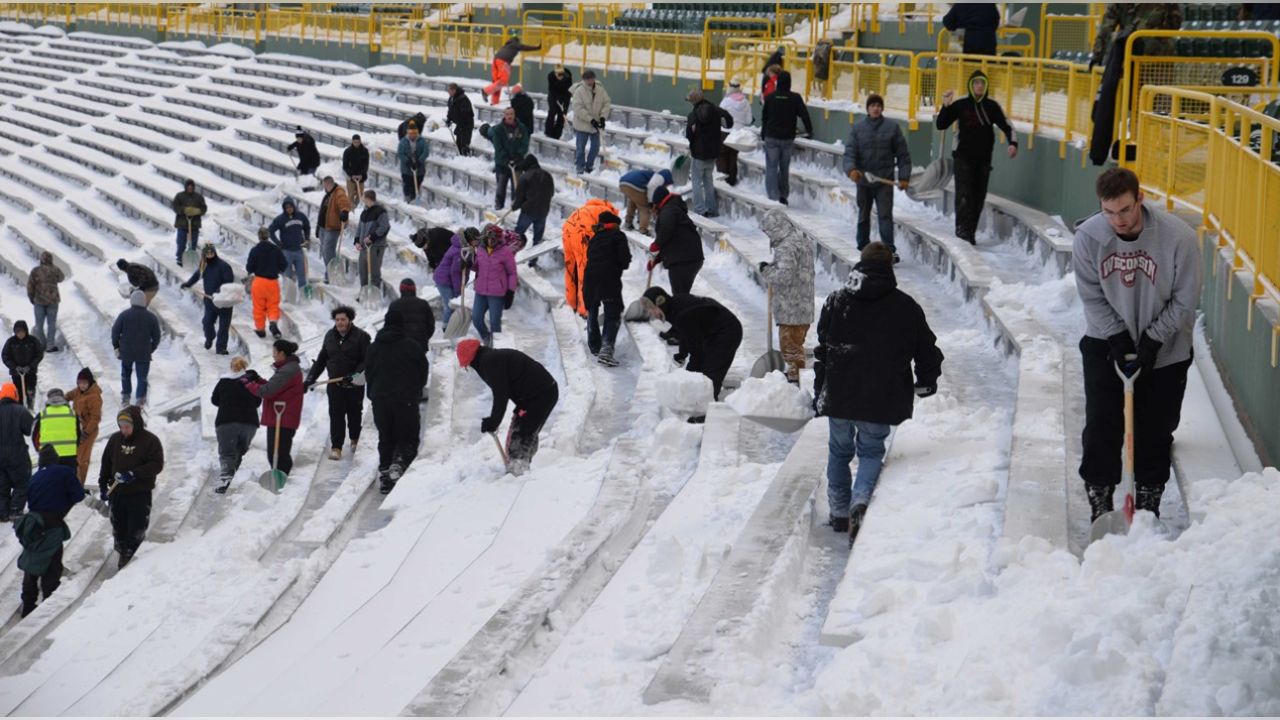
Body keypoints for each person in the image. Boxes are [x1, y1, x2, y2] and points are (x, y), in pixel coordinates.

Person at [1073, 167, 1201, 522]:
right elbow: (1090, 294)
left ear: (1140, 199)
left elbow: (1185, 300)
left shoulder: (1179, 238)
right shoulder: (1088, 237)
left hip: (1167, 348)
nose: (1118, 220)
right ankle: (1100, 495)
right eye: (1109, 211)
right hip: (1105, 342)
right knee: (1101, 422)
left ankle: (1148, 499)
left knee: (1155, 426)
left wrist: (1152, 340)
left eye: (1125, 210)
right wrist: (1116, 336)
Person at [814, 242, 944, 541]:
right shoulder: (905, 306)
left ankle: (838, 512)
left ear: (861, 263)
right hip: (881, 394)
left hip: (840, 392)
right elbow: (926, 348)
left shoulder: (837, 301)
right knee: (871, 451)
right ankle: (861, 501)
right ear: (890, 267)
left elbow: (823, 346)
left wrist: (820, 387)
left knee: (839, 451)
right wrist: (927, 379)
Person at [935, 70, 1019, 244]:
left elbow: (1008, 126)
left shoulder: (992, 106)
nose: (979, 86)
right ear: (971, 86)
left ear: (986, 86)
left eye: (982, 83)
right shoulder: (961, 105)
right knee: (964, 195)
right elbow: (941, 124)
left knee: (978, 197)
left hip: (983, 160)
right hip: (963, 157)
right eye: (976, 83)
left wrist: (1013, 143)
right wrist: (946, 105)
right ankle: (962, 230)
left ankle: (970, 232)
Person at [456, 338, 558, 476]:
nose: (469, 368)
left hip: (540, 395)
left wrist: (494, 421)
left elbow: (501, 394)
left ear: (471, 359)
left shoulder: (489, 361)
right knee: (522, 431)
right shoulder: (489, 358)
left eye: (468, 365)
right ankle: (520, 470)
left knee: (521, 435)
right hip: (536, 395)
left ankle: (517, 475)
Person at [640, 287, 742, 419]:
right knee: (703, 369)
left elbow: (696, 352)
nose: (651, 313)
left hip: (727, 332)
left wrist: (687, 376)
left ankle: (705, 414)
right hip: (712, 332)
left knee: (709, 375)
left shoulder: (682, 314)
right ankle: (699, 408)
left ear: (661, 302)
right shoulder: (674, 306)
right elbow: (686, 334)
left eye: (652, 309)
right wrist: (682, 354)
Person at [365, 308, 429, 493]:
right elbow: (422, 372)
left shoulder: (374, 347)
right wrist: (416, 389)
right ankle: (399, 464)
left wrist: (374, 393)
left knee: (386, 436)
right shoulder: (412, 346)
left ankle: (385, 473)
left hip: (380, 399)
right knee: (407, 436)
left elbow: (369, 372)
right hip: (405, 399)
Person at [17, 444, 83, 616]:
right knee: (52, 566)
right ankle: (47, 607)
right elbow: (78, 495)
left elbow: (29, 501)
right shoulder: (64, 472)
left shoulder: (34, 477)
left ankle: (28, 605)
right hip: (52, 526)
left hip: (33, 526)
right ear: (56, 458)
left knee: (32, 564)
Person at [843, 93, 912, 257]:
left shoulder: (892, 128)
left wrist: (904, 177)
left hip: (885, 181)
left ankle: (889, 250)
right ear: (868, 108)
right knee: (863, 215)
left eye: (878, 105)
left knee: (885, 216)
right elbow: (849, 153)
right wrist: (851, 169)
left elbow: (903, 155)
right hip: (864, 181)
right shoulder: (858, 128)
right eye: (872, 105)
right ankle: (863, 247)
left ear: (882, 108)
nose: (875, 108)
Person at [98, 405, 163, 568]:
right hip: (117, 493)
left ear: (136, 424)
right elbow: (106, 463)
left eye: (127, 427)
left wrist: (134, 473)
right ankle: (121, 550)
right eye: (121, 427)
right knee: (118, 526)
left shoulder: (150, 441)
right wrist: (103, 486)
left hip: (139, 494)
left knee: (136, 527)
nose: (124, 430)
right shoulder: (115, 440)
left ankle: (131, 556)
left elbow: (157, 464)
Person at [304, 306, 370, 461]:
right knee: (336, 416)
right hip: (334, 385)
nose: (340, 323)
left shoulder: (362, 337)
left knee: (354, 414)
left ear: (349, 320)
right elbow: (322, 359)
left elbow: (366, 360)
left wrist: (353, 375)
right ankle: (337, 447)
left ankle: (355, 438)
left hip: (354, 384)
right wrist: (310, 378)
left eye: (343, 319)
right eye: (337, 320)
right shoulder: (329, 336)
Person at [758, 209, 816, 384]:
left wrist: (766, 271)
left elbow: (785, 275)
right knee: (794, 345)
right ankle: (795, 376)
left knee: (790, 348)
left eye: (768, 231)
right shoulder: (800, 241)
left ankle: (796, 381)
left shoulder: (786, 247)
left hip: (792, 309)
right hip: (802, 306)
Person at [244, 340, 304, 478]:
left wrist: (249, 384)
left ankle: (284, 482)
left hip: (282, 418)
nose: (273, 356)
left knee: (278, 455)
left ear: (281, 353)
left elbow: (267, 392)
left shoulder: (288, 370)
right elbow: (275, 387)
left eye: (274, 352)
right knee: (276, 454)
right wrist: (258, 380)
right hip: (281, 418)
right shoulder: (288, 368)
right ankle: (282, 481)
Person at [582, 211, 630, 366]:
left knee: (593, 311)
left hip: (590, 279)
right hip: (608, 279)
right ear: (614, 224)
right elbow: (624, 260)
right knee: (613, 314)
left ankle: (595, 345)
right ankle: (606, 349)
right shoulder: (618, 236)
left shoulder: (595, 238)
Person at [760, 71, 813, 205]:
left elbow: (764, 117)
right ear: (789, 83)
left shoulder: (770, 97)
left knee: (771, 167)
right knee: (784, 167)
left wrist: (763, 133)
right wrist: (809, 130)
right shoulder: (795, 98)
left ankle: (773, 196)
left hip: (771, 137)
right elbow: (804, 115)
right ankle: (783, 194)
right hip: (787, 138)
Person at [210, 356, 260, 494]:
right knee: (240, 450)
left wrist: (227, 403)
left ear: (231, 367)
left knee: (227, 452)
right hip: (249, 423)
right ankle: (233, 474)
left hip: (227, 422)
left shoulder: (224, 381)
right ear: (245, 367)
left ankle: (226, 478)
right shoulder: (251, 381)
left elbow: (214, 400)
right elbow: (258, 402)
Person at [561, 199, 618, 317]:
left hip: (567, 228)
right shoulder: (608, 212)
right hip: (581, 232)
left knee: (570, 268)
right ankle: (584, 308)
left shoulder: (588, 209)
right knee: (584, 271)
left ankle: (571, 301)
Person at [685, 88, 734, 218]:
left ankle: (700, 210)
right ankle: (712, 209)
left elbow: (689, 135)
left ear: (693, 101)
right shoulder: (715, 109)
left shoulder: (692, 115)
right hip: (712, 154)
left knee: (696, 181)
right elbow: (729, 120)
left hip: (698, 154)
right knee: (708, 180)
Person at [648, 185, 705, 296]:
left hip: (683, 259)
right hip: (687, 257)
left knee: (680, 296)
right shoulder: (671, 208)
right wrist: (657, 259)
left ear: (658, 203)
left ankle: (686, 312)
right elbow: (672, 239)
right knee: (681, 294)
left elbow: (666, 230)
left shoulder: (668, 211)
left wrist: (656, 244)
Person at [181, 244, 236, 354]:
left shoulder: (224, 266)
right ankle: (210, 337)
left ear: (215, 253)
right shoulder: (204, 265)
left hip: (224, 301)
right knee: (207, 322)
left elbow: (228, 281)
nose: (210, 256)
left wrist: (217, 292)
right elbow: (197, 275)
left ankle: (221, 348)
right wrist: (188, 284)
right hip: (210, 301)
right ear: (204, 255)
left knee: (223, 326)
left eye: (212, 253)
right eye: (208, 254)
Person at [111, 290, 161, 407]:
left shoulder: (124, 315)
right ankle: (140, 399)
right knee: (142, 377)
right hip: (144, 353)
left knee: (126, 374)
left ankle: (126, 396)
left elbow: (115, 332)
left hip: (126, 352)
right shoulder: (151, 317)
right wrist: (151, 348)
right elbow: (157, 336)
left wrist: (116, 346)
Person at [471, 225, 519, 346]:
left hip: (497, 293)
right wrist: (468, 263)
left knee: (495, 323)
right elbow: (477, 267)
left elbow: (512, 273)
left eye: (494, 239)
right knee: (476, 319)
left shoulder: (505, 251)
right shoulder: (481, 249)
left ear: (499, 239)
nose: (491, 242)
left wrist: (510, 291)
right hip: (481, 290)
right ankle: (486, 337)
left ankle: (497, 346)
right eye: (489, 239)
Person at [246, 226, 287, 339]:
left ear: (259, 237)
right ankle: (273, 322)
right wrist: (277, 269)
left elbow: (249, 267)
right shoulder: (276, 249)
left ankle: (260, 329)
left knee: (258, 307)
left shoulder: (254, 250)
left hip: (259, 282)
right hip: (273, 282)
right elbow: (284, 265)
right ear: (268, 236)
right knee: (273, 305)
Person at [0, 382, 33, 521]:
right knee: (22, 482)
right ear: (15, 394)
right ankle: (15, 509)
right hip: (17, 454)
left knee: (2, 484)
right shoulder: (20, 410)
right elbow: (29, 429)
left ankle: (2, 512)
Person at [388, 278, 435, 374]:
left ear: (401, 290)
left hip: (399, 346)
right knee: (418, 370)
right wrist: (424, 338)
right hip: (420, 345)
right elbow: (431, 325)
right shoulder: (423, 304)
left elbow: (389, 327)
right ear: (414, 290)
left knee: (403, 371)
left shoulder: (394, 305)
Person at [486, 107, 530, 210]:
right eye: (507, 114)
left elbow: (525, 144)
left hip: (517, 163)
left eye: (511, 114)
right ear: (504, 115)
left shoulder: (521, 128)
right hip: (502, 164)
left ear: (514, 115)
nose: (509, 116)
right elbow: (498, 146)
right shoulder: (498, 129)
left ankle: (516, 205)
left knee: (517, 186)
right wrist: (506, 159)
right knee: (501, 186)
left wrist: (518, 156)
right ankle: (499, 205)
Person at [64, 368, 101, 486]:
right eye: (80, 383)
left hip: (88, 431)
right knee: (74, 457)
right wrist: (59, 400)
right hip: (77, 428)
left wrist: (86, 432)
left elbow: (96, 418)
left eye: (84, 383)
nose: (82, 385)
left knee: (82, 459)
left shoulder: (94, 397)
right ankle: (74, 481)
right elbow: (68, 396)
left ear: (89, 383)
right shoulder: (78, 391)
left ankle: (80, 484)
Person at [570, 70, 611, 174]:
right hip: (582, 125)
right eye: (587, 79)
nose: (590, 81)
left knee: (595, 147)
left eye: (591, 78)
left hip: (596, 125)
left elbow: (606, 103)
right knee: (580, 148)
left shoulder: (600, 90)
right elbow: (578, 108)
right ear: (584, 80)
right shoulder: (579, 91)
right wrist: (591, 120)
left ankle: (589, 166)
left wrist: (602, 118)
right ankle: (580, 166)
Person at [269, 196, 312, 292]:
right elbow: (270, 231)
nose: (289, 209)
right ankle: (288, 294)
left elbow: (307, 226)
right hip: (286, 251)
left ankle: (302, 293)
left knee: (302, 274)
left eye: (290, 207)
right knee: (287, 275)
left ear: (294, 206)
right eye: (287, 208)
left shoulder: (301, 216)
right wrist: (278, 243)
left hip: (299, 250)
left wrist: (307, 238)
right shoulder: (280, 219)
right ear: (284, 208)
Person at [511, 155, 554, 247]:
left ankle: (509, 257)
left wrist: (514, 207)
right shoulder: (548, 175)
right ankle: (533, 260)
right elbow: (551, 193)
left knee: (516, 236)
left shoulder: (524, 177)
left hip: (528, 211)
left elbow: (519, 198)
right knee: (537, 239)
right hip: (543, 212)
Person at [485, 35, 541, 105]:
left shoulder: (506, 45)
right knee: (503, 81)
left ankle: (494, 101)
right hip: (504, 61)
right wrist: (537, 47)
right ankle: (486, 91)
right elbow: (525, 48)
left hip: (495, 61)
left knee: (497, 82)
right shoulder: (515, 44)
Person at [32, 388, 79, 470]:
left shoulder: (43, 414)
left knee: (49, 482)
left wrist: (40, 451)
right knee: (68, 481)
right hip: (69, 457)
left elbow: (35, 437)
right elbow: (78, 435)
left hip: (48, 457)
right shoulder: (72, 413)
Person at [316, 176, 352, 284]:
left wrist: (344, 212)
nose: (324, 187)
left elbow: (344, 203)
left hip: (332, 228)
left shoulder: (338, 192)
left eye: (324, 185)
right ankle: (329, 272)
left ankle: (331, 274)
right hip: (323, 227)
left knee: (328, 251)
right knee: (324, 250)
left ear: (327, 184)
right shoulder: (328, 195)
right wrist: (318, 227)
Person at [718, 78, 753, 187]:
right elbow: (748, 120)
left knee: (722, 156)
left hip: (725, 132)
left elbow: (719, 116)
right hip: (738, 133)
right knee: (733, 156)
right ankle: (732, 180)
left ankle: (722, 180)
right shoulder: (746, 102)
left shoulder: (726, 101)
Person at [27, 251, 63, 352]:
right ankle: (50, 345)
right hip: (53, 300)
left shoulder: (35, 271)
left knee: (39, 324)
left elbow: (30, 285)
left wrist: (31, 297)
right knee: (51, 324)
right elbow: (61, 278)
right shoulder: (55, 270)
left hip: (39, 300)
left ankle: (41, 344)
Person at [617, 168, 672, 235]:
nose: (667, 186)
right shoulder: (660, 178)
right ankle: (643, 230)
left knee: (633, 201)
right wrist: (651, 203)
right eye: (667, 185)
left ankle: (628, 222)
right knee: (645, 208)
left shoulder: (651, 175)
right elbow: (651, 188)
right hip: (635, 185)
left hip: (623, 183)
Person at [3, 320, 44, 410]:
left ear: (26, 331)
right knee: (18, 393)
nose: (20, 334)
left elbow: (39, 354)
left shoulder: (33, 341)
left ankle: (30, 408)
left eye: (22, 332)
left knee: (30, 392)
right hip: (16, 374)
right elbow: (5, 356)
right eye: (18, 332)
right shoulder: (11, 342)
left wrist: (30, 366)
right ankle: (20, 409)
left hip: (30, 372)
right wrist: (14, 367)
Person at [355, 189, 391, 291]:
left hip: (375, 247)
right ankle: (364, 293)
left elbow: (385, 227)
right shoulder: (364, 212)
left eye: (363, 198)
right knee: (363, 271)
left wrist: (372, 237)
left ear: (368, 199)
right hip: (363, 247)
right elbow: (359, 228)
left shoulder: (380, 211)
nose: (362, 200)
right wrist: (357, 241)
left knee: (374, 272)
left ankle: (374, 293)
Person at [434, 228, 470, 327]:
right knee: (450, 305)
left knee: (453, 304)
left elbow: (464, 271)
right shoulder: (459, 250)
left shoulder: (463, 248)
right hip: (444, 280)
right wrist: (459, 290)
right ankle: (446, 327)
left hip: (449, 280)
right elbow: (455, 273)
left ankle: (453, 325)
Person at [171, 179, 207, 266]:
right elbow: (175, 206)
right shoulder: (180, 196)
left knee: (193, 244)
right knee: (181, 243)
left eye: (191, 187)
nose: (190, 188)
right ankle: (180, 259)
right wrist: (183, 210)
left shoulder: (199, 197)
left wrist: (198, 211)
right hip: (182, 224)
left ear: (193, 187)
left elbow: (204, 208)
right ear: (186, 187)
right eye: (188, 187)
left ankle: (191, 260)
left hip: (194, 225)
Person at [398, 121, 430, 202]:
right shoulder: (403, 142)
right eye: (411, 133)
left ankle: (415, 199)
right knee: (407, 186)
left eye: (414, 133)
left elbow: (425, 152)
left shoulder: (422, 141)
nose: (413, 135)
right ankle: (408, 200)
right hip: (406, 170)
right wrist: (408, 162)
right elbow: (400, 153)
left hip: (419, 169)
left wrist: (419, 161)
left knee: (416, 185)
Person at [445, 83, 475, 156]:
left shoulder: (463, 99)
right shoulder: (451, 99)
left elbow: (466, 114)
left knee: (464, 143)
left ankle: (466, 157)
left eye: (449, 91)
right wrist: (449, 119)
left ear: (454, 90)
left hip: (466, 124)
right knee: (458, 143)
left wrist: (460, 125)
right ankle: (461, 157)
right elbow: (451, 110)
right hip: (459, 124)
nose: (448, 92)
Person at [545, 64, 573, 139]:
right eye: (558, 74)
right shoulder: (550, 76)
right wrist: (557, 98)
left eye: (561, 74)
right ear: (555, 73)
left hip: (565, 96)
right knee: (552, 111)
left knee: (562, 115)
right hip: (553, 96)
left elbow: (568, 91)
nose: (560, 76)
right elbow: (551, 89)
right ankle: (548, 132)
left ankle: (557, 135)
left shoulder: (568, 77)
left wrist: (563, 102)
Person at [342, 135, 369, 205]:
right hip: (351, 177)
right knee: (350, 195)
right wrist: (352, 175)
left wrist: (361, 174)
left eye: (358, 142)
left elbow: (366, 165)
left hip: (361, 177)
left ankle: (356, 208)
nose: (356, 144)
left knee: (360, 194)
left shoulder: (365, 151)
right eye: (355, 142)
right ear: (352, 142)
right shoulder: (347, 151)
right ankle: (351, 210)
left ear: (360, 141)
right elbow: (345, 166)